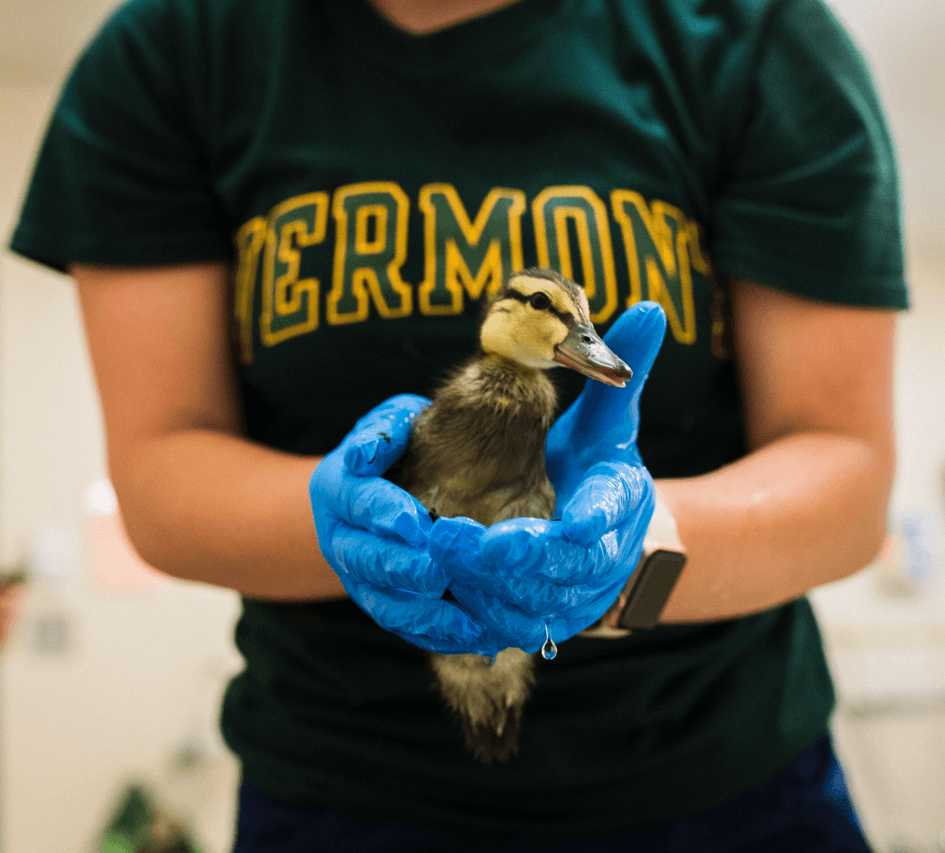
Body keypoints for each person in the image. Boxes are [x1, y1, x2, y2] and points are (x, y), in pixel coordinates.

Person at [11, 0, 907, 849]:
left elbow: (843, 468)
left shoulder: (757, 37)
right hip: (342, 791)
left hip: (731, 786)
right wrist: (346, 523)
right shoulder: (175, 51)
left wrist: (633, 555)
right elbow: (163, 468)